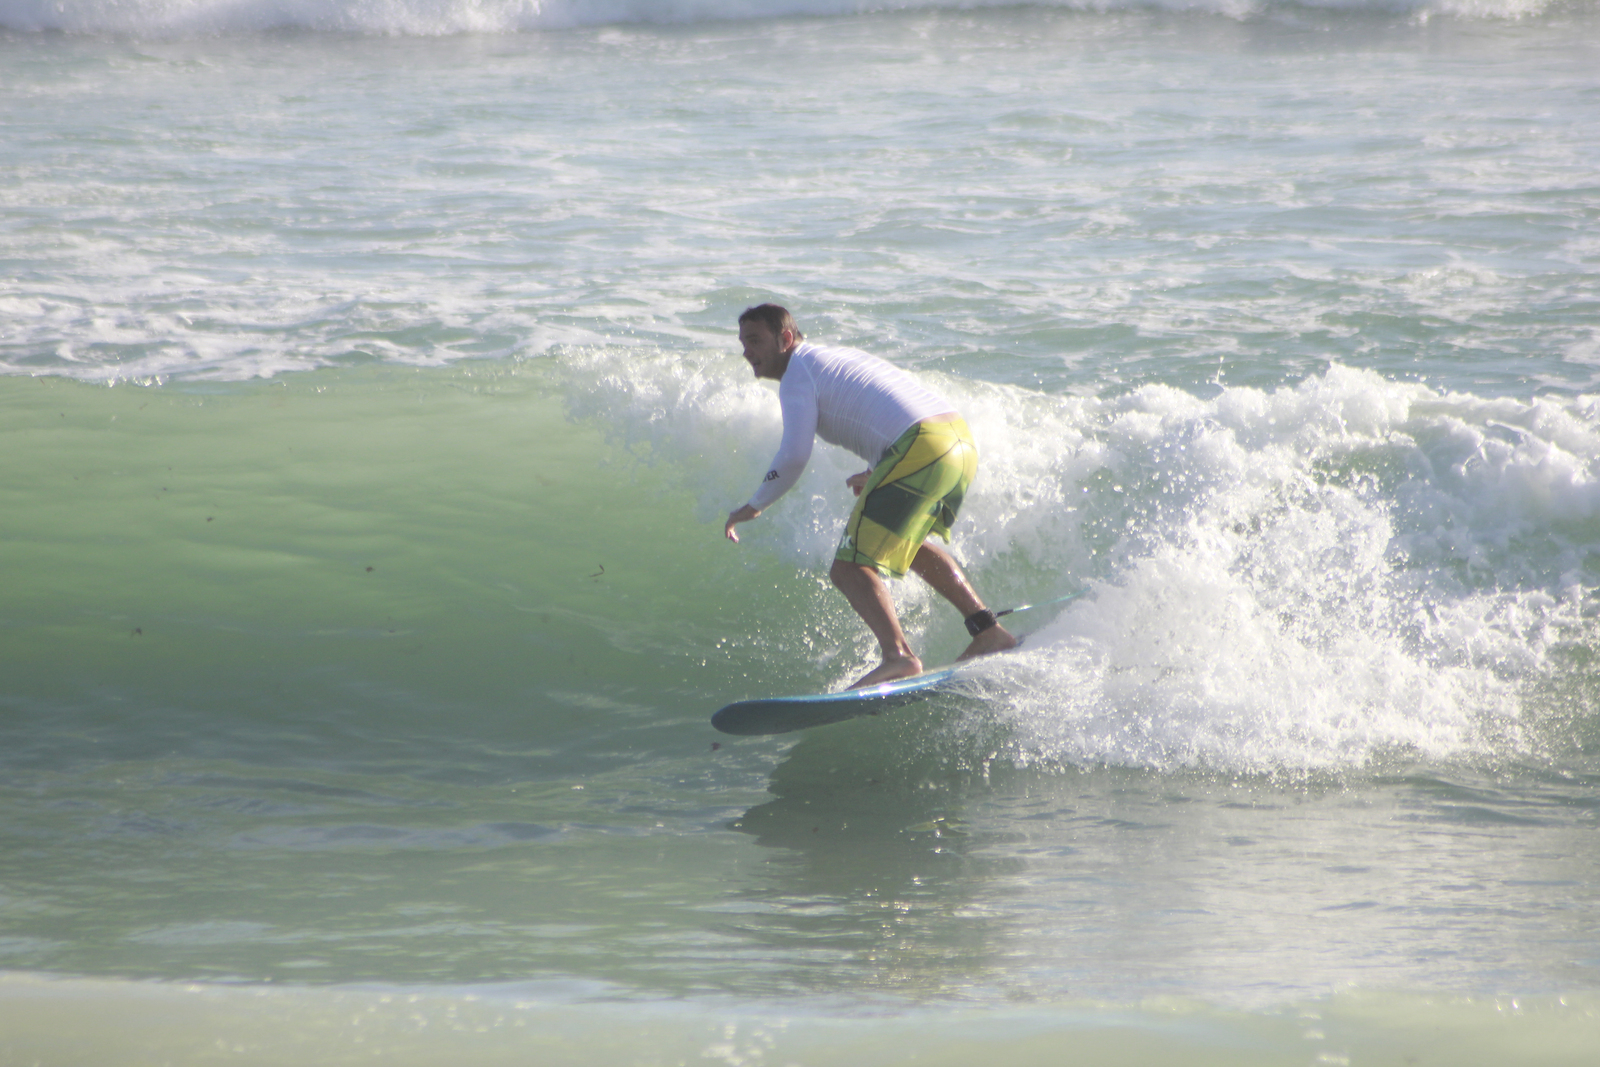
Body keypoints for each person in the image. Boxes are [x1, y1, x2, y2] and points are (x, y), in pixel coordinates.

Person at [723, 303, 1015, 688]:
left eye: (756, 340)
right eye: (743, 342)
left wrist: (755, 504)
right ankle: (987, 631)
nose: (747, 351)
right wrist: (881, 468)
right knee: (909, 546)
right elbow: (885, 406)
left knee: (848, 569)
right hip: (956, 442)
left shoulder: (798, 372)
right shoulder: (833, 357)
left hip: (921, 445)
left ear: (787, 339)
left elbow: (793, 455)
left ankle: (899, 657)